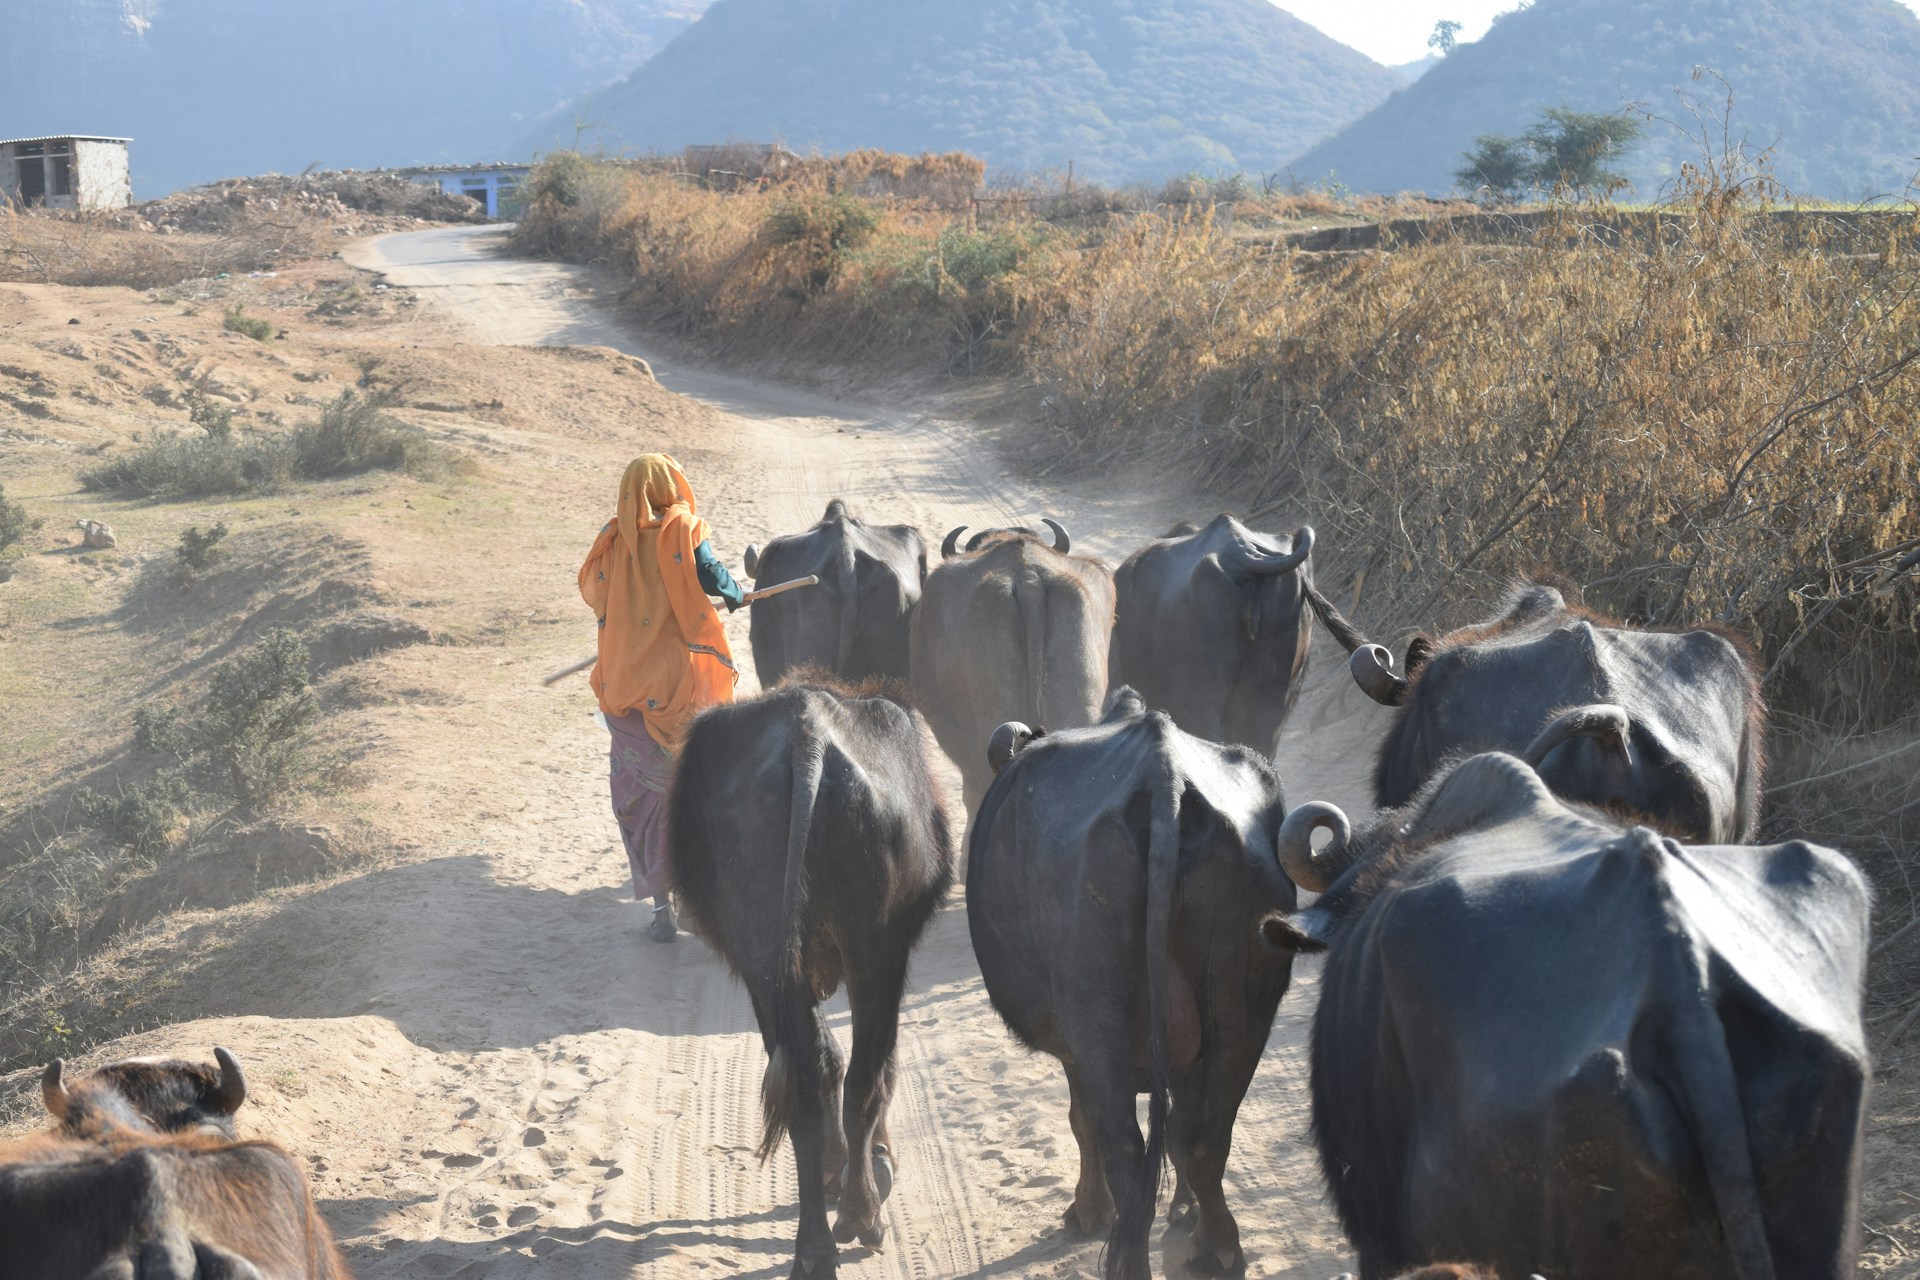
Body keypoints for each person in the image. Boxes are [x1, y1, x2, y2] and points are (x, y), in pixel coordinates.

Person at [579, 454, 745, 941]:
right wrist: (735, 593)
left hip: (625, 687)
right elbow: (713, 576)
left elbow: (599, 596)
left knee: (642, 799)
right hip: (680, 687)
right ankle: (700, 901)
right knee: (696, 790)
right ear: (671, 485)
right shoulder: (683, 529)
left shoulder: (611, 541)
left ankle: (659, 908)